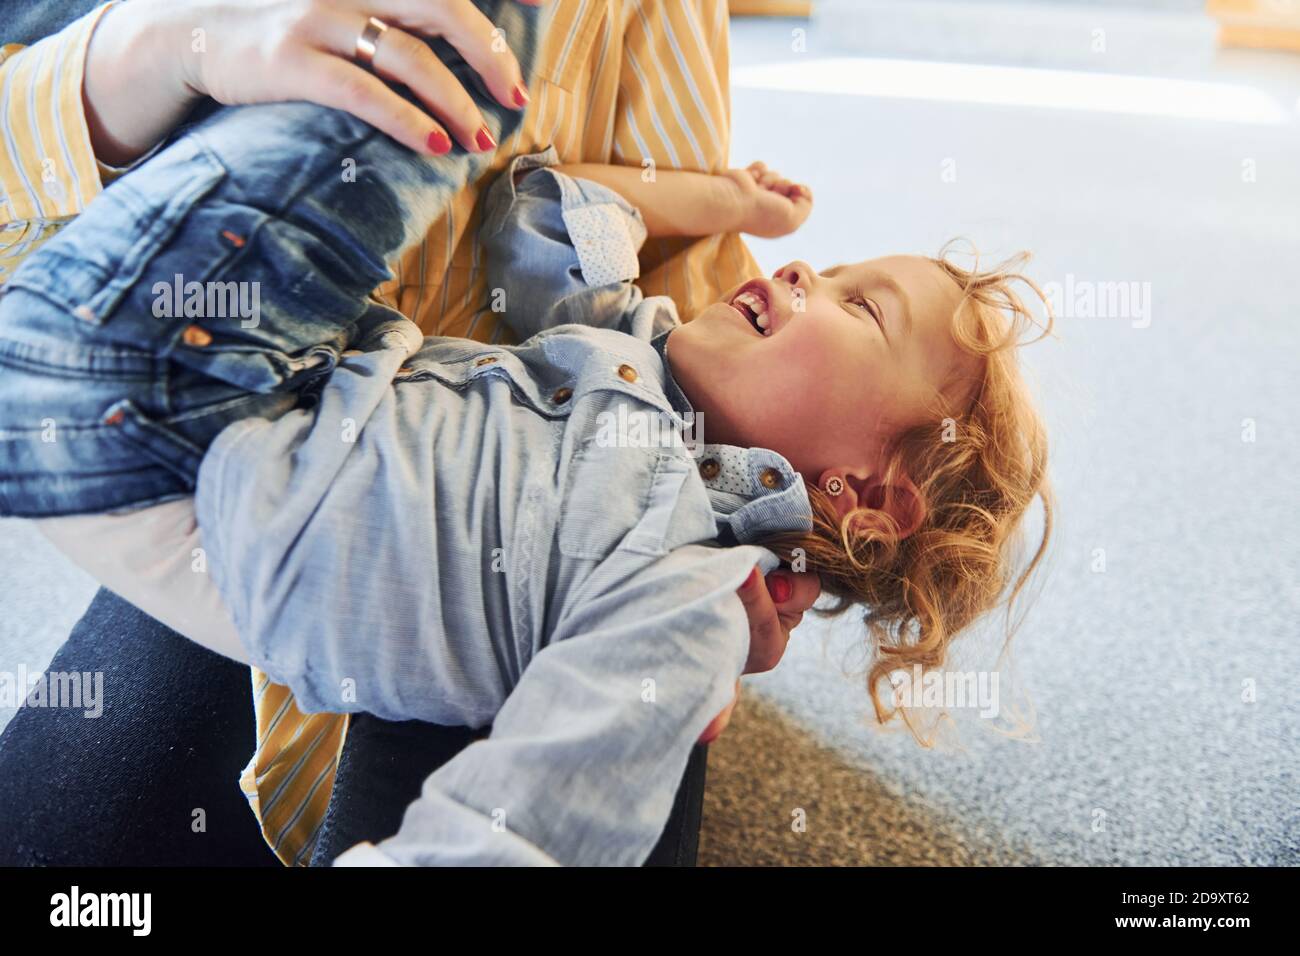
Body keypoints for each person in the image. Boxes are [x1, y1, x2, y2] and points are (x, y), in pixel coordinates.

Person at [0, 0, 820, 866]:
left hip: (345, 546)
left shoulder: (672, 562)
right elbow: (555, 213)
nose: (808, 274)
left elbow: (535, 816)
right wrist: (161, 47)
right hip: (239, 452)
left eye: (857, 300)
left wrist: (741, 556)